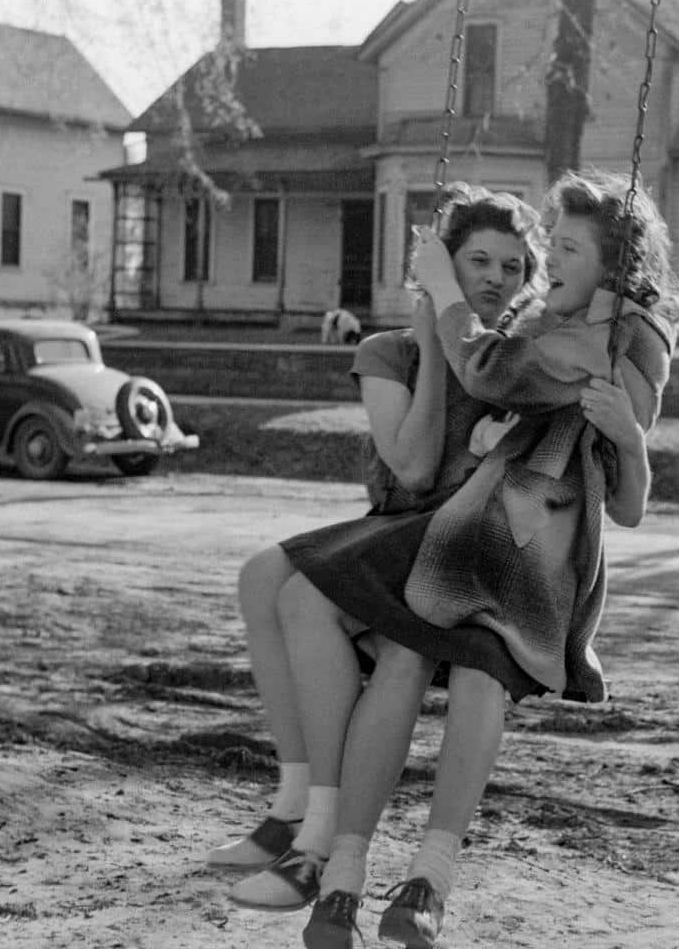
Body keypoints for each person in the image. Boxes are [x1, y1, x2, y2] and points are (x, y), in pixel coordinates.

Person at [273, 168, 679, 949]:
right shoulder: (548, 320)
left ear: (608, 264)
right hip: (468, 535)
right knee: (396, 653)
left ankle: (427, 884)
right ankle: (341, 880)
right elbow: (501, 390)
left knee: (476, 673)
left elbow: (624, 500)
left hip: (533, 560)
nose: (546, 262)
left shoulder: (612, 340)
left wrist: (631, 440)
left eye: (564, 247)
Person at [210, 186, 542, 905]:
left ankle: (317, 838)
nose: (494, 278)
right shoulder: (387, 352)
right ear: (443, 269)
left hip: (451, 549)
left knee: (308, 597)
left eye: (512, 268)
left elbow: (433, 477)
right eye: (477, 261)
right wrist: (428, 343)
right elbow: (411, 465)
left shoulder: (511, 365)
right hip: (393, 526)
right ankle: (293, 800)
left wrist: (452, 349)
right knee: (259, 576)